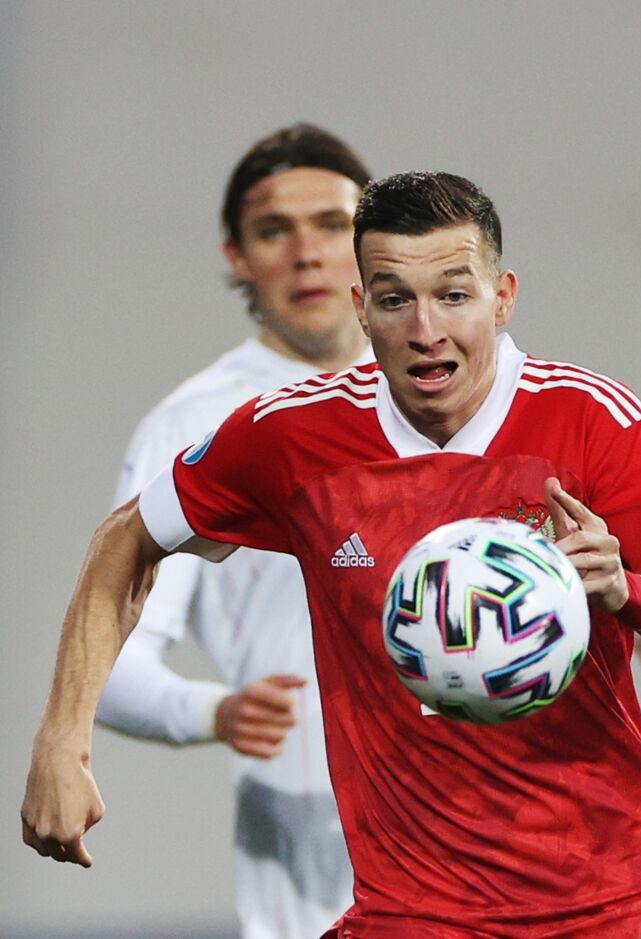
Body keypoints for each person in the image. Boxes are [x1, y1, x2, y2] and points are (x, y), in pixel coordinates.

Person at [22, 171, 641, 938]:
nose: (426, 328)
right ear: (362, 309)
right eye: (396, 298)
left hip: (606, 908)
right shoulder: (294, 437)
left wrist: (628, 588)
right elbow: (124, 539)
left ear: (503, 298)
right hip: (408, 914)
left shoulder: (598, 423)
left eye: (454, 294)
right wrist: (61, 740)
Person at [93, 123, 370, 939]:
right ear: (237, 256)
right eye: (274, 229)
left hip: (492, 843)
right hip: (313, 877)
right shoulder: (197, 422)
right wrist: (211, 709)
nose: (307, 252)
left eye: (331, 224)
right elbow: (107, 662)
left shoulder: (451, 396)